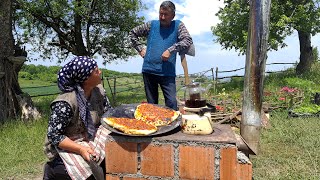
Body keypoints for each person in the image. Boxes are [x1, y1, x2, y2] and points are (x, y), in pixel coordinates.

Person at [43, 56, 112, 180]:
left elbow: (108, 116)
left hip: (90, 135)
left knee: (113, 146)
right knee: (86, 168)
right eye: (96, 71)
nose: (100, 72)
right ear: (86, 79)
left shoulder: (99, 92)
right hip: (69, 142)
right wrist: (81, 149)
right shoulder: (65, 103)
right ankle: (52, 170)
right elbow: (54, 136)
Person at [129, 0, 193, 110]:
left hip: (167, 73)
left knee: (172, 103)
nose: (162, 17)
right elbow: (132, 33)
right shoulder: (152, 25)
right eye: (160, 14)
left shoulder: (178, 25)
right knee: (152, 106)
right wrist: (140, 49)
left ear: (173, 15)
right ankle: (155, 126)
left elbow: (187, 40)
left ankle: (173, 127)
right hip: (149, 71)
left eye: (165, 14)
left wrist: (171, 50)